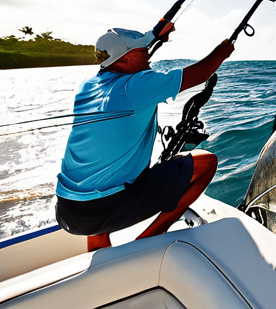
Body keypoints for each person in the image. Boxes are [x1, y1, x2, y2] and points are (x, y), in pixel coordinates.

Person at [55, 25, 234, 251]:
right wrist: (222, 51)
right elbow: (200, 73)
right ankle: (152, 235)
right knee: (206, 163)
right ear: (125, 58)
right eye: (142, 51)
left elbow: (128, 59)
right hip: (105, 208)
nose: (148, 54)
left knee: (101, 177)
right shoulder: (137, 85)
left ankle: (98, 246)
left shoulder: (88, 86)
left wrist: (155, 34)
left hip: (68, 212)